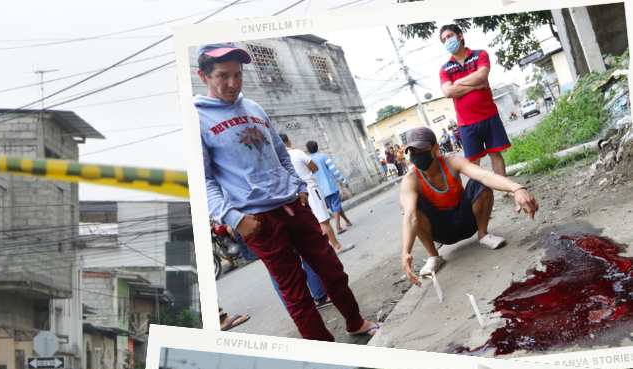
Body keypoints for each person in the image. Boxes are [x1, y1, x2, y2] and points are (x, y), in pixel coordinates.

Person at [195, 42, 380, 343]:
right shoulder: (197, 119)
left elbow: (282, 155)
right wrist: (234, 218)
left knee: (331, 269)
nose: (232, 83)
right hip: (256, 219)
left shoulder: (254, 107)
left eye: (238, 75)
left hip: (294, 205)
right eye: (222, 76)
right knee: (296, 291)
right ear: (204, 77)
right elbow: (203, 181)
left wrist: (300, 188)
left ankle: (355, 322)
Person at [399, 127, 539, 286]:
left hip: (466, 220)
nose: (417, 155)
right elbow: (410, 216)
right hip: (440, 230)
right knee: (412, 206)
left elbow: (484, 175)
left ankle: (483, 235)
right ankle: (434, 256)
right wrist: (405, 253)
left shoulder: (452, 162)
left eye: (422, 149)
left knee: (478, 183)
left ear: (436, 148)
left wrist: (517, 188)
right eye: (413, 151)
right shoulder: (410, 179)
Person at [439, 24, 512, 181]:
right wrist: (477, 86)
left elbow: (481, 76)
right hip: (466, 123)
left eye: (450, 36)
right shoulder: (445, 69)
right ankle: (482, 194)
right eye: (444, 39)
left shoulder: (480, 55)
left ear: (460, 36)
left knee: (495, 153)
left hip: (489, 115)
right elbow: (448, 92)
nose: (447, 41)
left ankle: (505, 188)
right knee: (473, 162)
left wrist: (457, 83)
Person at [281, 133, 351, 255]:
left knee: (313, 221)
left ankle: (323, 248)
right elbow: (315, 168)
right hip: (310, 189)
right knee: (323, 219)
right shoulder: (297, 153)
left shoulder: (279, 158)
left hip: (295, 194)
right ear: (290, 141)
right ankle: (336, 246)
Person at [306, 141, 354, 235]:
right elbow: (334, 170)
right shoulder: (323, 156)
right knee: (336, 207)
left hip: (321, 190)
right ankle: (338, 227)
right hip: (331, 186)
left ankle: (347, 221)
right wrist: (343, 181)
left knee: (335, 207)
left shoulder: (308, 160)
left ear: (308, 150)